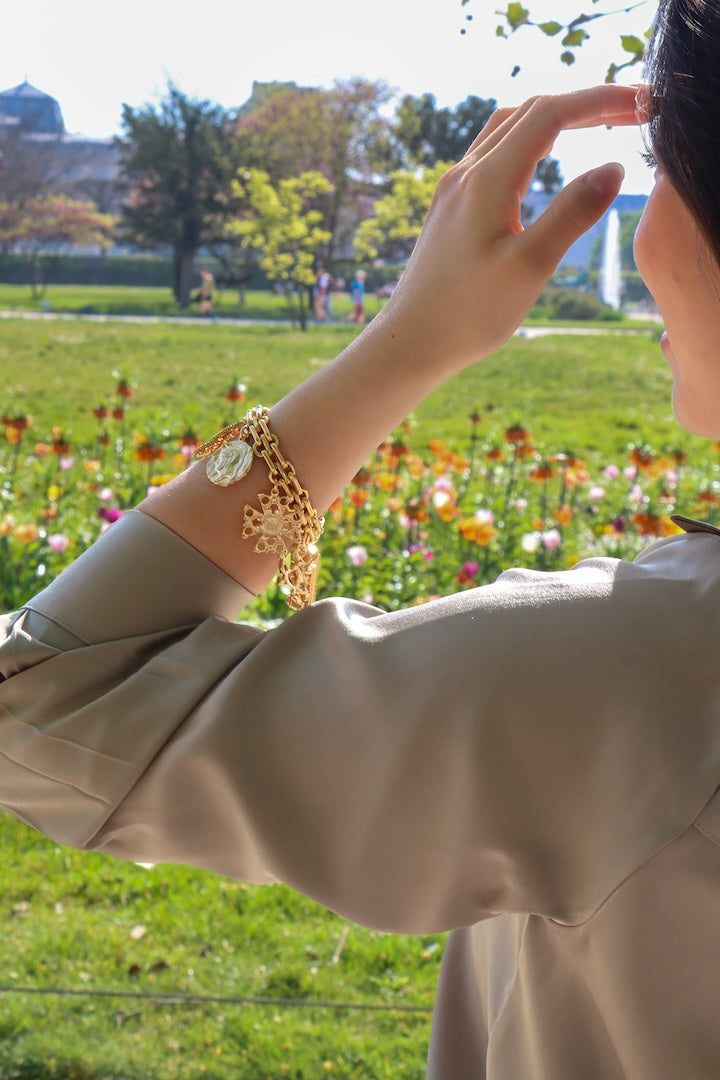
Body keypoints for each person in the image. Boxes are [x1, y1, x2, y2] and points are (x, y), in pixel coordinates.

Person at [1, 3, 719, 1074]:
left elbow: (53, 701)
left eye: (669, 167)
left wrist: (408, 342)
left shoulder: (638, 674)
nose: (649, 225)